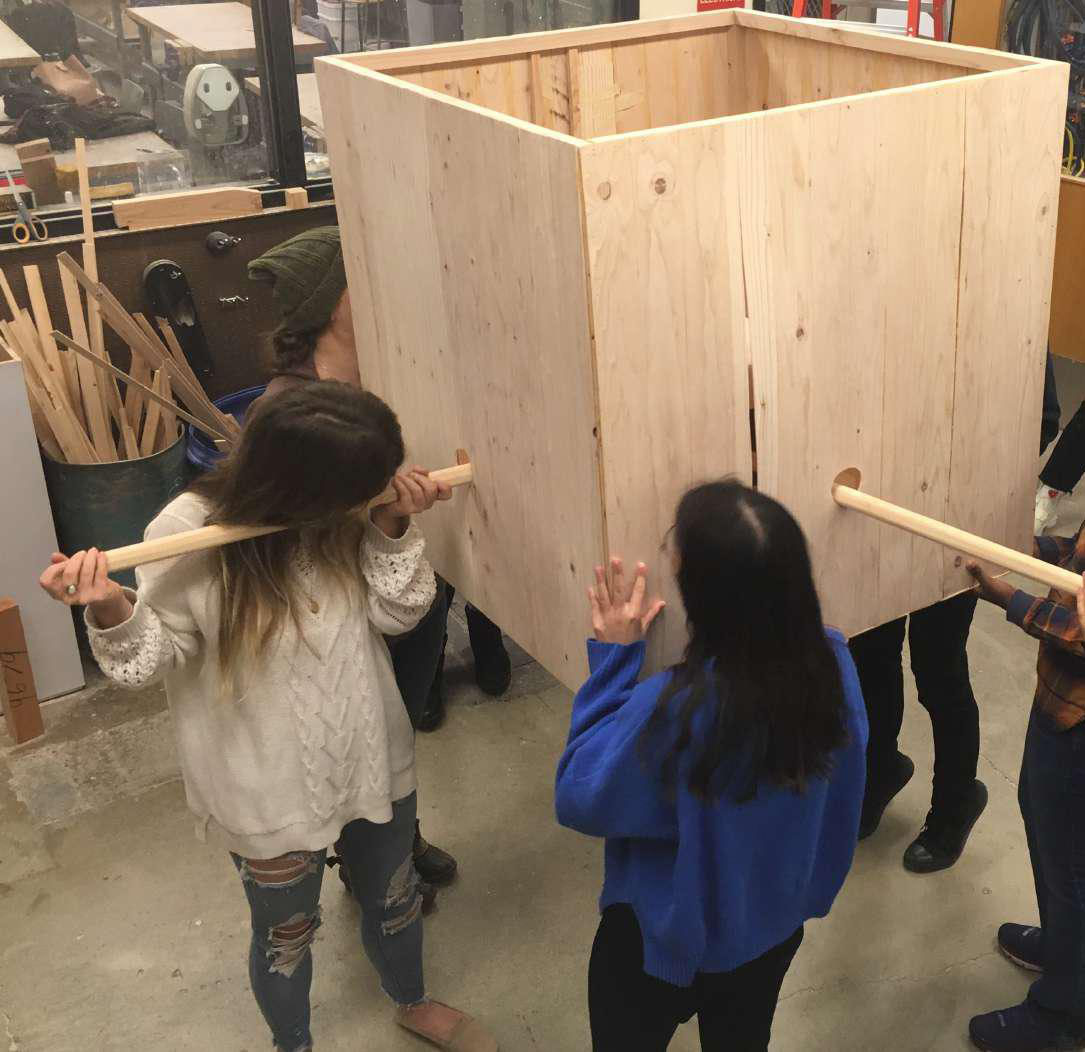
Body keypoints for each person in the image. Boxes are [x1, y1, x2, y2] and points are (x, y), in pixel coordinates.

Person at [40, 384, 498, 1052]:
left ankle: (412, 1000)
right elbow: (151, 662)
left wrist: (392, 525)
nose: (372, 494)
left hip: (368, 755)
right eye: (361, 490)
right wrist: (111, 605)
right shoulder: (184, 531)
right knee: (286, 935)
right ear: (301, 486)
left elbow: (398, 614)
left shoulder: (346, 514)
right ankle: (294, 1043)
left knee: (394, 898)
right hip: (262, 789)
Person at [555, 480, 868, 1052]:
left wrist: (612, 662)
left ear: (701, 598)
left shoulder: (678, 707)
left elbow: (579, 793)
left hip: (663, 942)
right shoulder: (835, 668)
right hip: (770, 927)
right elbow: (843, 796)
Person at [246, 226, 512, 895]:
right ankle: (367, 869)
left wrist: (397, 514)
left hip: (406, 581)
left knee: (395, 733)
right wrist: (375, 510)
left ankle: (402, 839)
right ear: (331, 303)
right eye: (356, 276)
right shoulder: (286, 409)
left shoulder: (398, 366)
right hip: (337, 605)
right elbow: (281, 538)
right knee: (346, 741)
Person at [966, 548, 1085, 1052]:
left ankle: (1062, 1009)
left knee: (1071, 871)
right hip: (1062, 705)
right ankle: (1064, 950)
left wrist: (1011, 598)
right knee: (1041, 821)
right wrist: (1048, 559)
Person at [848, 592, 988, 872]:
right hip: (881, 550)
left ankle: (957, 802)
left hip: (950, 556)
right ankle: (881, 769)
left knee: (938, 670)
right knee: (869, 649)